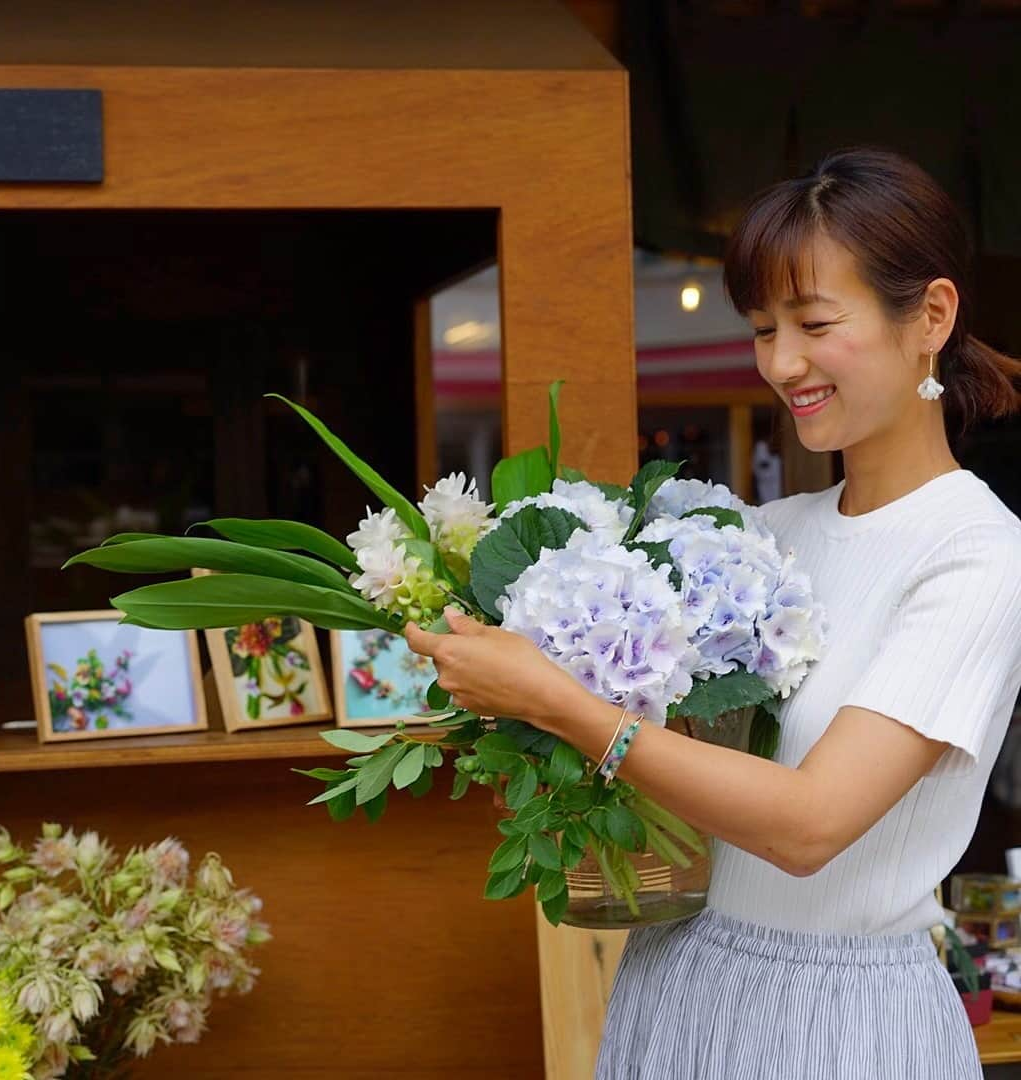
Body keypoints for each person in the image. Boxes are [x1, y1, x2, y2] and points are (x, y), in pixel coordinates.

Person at [404, 145, 1021, 1078]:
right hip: (681, 980)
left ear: (930, 315)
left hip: (842, 1021)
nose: (781, 361)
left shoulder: (975, 555)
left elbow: (811, 826)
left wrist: (559, 703)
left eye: (813, 322)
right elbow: (676, 768)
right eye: (763, 328)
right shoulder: (760, 537)